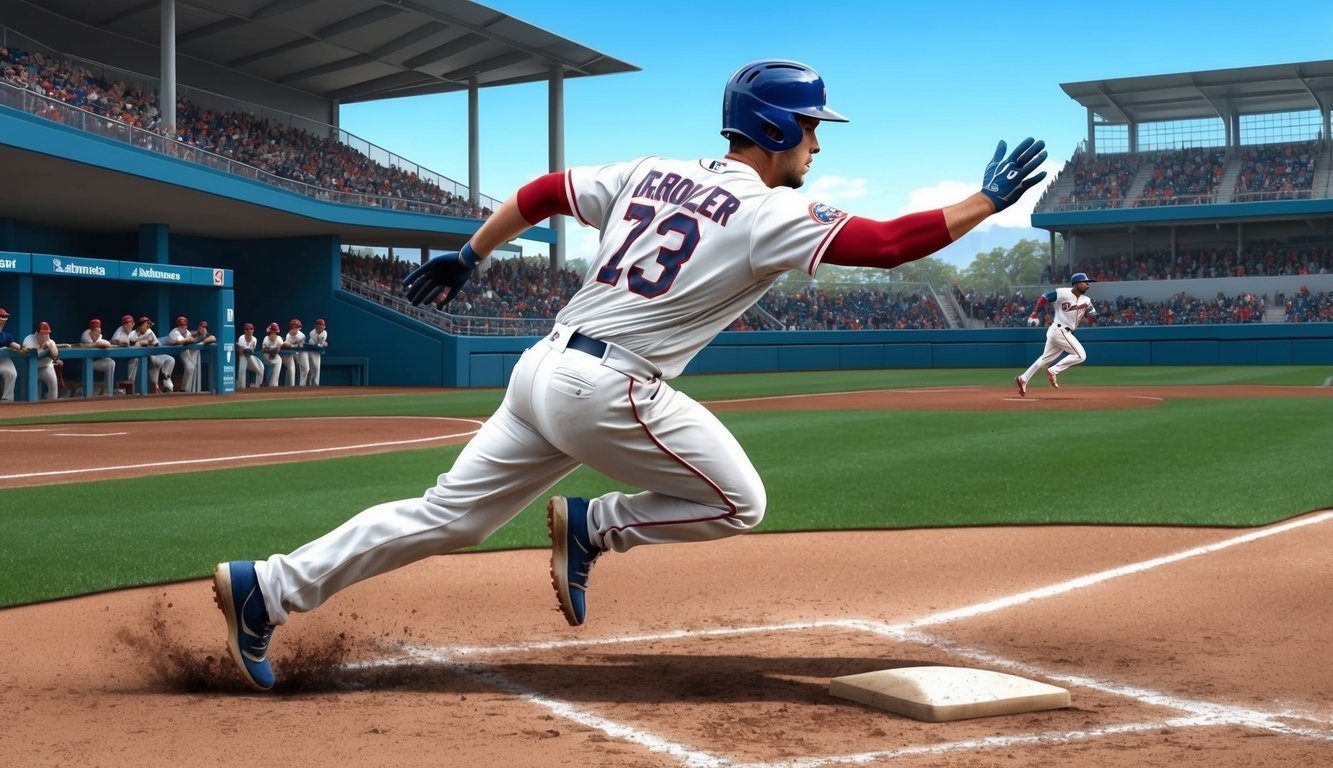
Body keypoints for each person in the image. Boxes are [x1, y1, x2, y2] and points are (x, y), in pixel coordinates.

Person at [212, 59, 1048, 691]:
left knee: (448, 517)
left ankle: (270, 587)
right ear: (775, 128)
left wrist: (470, 253)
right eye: (810, 126)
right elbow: (889, 245)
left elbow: (541, 191)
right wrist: (984, 202)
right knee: (738, 503)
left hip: (539, 369)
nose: (818, 142)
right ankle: (596, 525)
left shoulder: (649, 170)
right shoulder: (770, 212)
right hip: (607, 388)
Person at [1015, 272, 1098, 396]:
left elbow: (1091, 313)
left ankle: (1023, 378)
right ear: (1076, 284)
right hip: (1060, 330)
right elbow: (1045, 297)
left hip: (1059, 332)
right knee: (1081, 355)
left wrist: (1092, 316)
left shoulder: (1086, 300)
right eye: (1085, 282)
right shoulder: (1063, 293)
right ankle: (1053, 370)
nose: (1088, 285)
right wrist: (1035, 312)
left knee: (1043, 360)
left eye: (1088, 283)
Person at [133, 316, 175, 393]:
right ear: (141, 325)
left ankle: (167, 382)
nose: (148, 326)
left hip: (155, 355)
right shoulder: (134, 333)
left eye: (149, 324)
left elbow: (157, 344)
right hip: (145, 358)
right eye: (147, 324)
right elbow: (134, 344)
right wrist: (141, 342)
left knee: (170, 359)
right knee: (154, 381)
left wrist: (147, 342)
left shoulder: (150, 332)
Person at [21, 321, 60, 400]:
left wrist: (50, 346)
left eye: (47, 333)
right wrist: (41, 348)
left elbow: (55, 355)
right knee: (31, 392)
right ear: (37, 333)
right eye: (43, 333)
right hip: (31, 367)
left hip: (46, 366)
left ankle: (52, 406)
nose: (45, 336)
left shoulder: (51, 342)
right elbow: (28, 352)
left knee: (53, 385)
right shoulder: (29, 339)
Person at [78, 318, 116, 396]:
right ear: (91, 330)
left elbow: (103, 344)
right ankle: (91, 393)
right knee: (110, 364)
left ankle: (108, 391)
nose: (97, 332)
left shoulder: (99, 335)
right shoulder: (85, 335)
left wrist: (111, 345)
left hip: (96, 360)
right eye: (95, 330)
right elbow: (94, 344)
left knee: (111, 362)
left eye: (98, 329)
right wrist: (99, 343)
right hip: (86, 362)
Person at [168, 316, 202, 392]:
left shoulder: (187, 332)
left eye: (184, 325)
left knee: (191, 367)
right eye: (181, 326)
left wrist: (192, 338)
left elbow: (188, 341)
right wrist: (190, 338)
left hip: (180, 350)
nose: (183, 327)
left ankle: (184, 389)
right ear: (178, 326)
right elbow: (182, 342)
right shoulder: (174, 332)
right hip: (165, 351)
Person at [110, 314, 140, 390]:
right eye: (125, 324)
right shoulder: (120, 329)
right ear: (123, 325)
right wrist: (122, 343)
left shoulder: (135, 332)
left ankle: (131, 382)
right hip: (116, 353)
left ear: (133, 324)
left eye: (130, 324)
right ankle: (115, 386)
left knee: (136, 359)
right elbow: (113, 341)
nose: (128, 326)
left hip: (130, 354)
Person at [236, 322, 264, 389]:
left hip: (250, 357)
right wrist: (242, 349)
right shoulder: (241, 338)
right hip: (242, 357)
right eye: (247, 329)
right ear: (244, 330)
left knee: (261, 369)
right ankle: (241, 388)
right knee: (242, 370)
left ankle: (258, 387)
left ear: (253, 330)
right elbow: (241, 352)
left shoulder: (255, 339)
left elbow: (250, 352)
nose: (249, 331)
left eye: (251, 329)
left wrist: (246, 350)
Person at [0, 308, 20, 402]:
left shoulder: (6, 336)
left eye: (5, 317)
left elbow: (14, 344)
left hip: (2, 360)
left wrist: (21, 348)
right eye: (1, 317)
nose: (3, 320)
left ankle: (7, 400)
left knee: (11, 373)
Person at [282, 319, 306, 387]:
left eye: (297, 327)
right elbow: (286, 346)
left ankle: (298, 385)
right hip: (289, 354)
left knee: (300, 369)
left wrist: (291, 345)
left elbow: (301, 346)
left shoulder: (302, 335)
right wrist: (287, 344)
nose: (295, 329)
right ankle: (288, 385)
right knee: (291, 368)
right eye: (293, 327)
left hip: (299, 353)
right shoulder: (288, 336)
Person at [304, 318, 327, 386]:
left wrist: (322, 343)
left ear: (324, 327)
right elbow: (318, 344)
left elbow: (320, 343)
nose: (320, 328)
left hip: (317, 352)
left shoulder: (325, 333)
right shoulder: (312, 333)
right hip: (311, 351)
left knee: (316, 368)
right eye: (318, 327)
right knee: (311, 368)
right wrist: (323, 343)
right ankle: (309, 384)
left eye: (321, 326)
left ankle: (315, 385)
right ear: (315, 326)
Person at [260, 322, 284, 387]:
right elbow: (263, 350)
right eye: (272, 332)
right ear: (269, 333)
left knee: (279, 360)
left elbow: (280, 347)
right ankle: (273, 384)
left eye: (275, 332)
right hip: (265, 356)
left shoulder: (279, 338)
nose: (273, 334)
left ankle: (273, 384)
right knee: (278, 360)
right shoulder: (266, 338)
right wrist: (272, 350)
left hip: (274, 356)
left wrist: (281, 346)